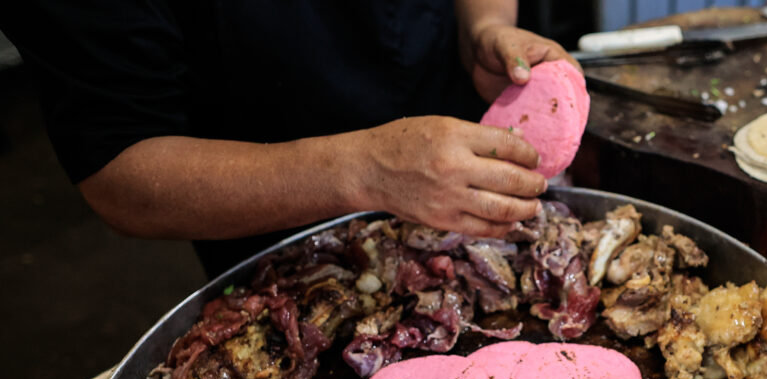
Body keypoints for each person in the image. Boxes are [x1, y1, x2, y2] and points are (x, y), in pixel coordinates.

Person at [0, 0, 579, 275]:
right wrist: (364, 169)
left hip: (470, 178)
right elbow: (120, 172)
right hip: (282, 240)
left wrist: (485, 26)